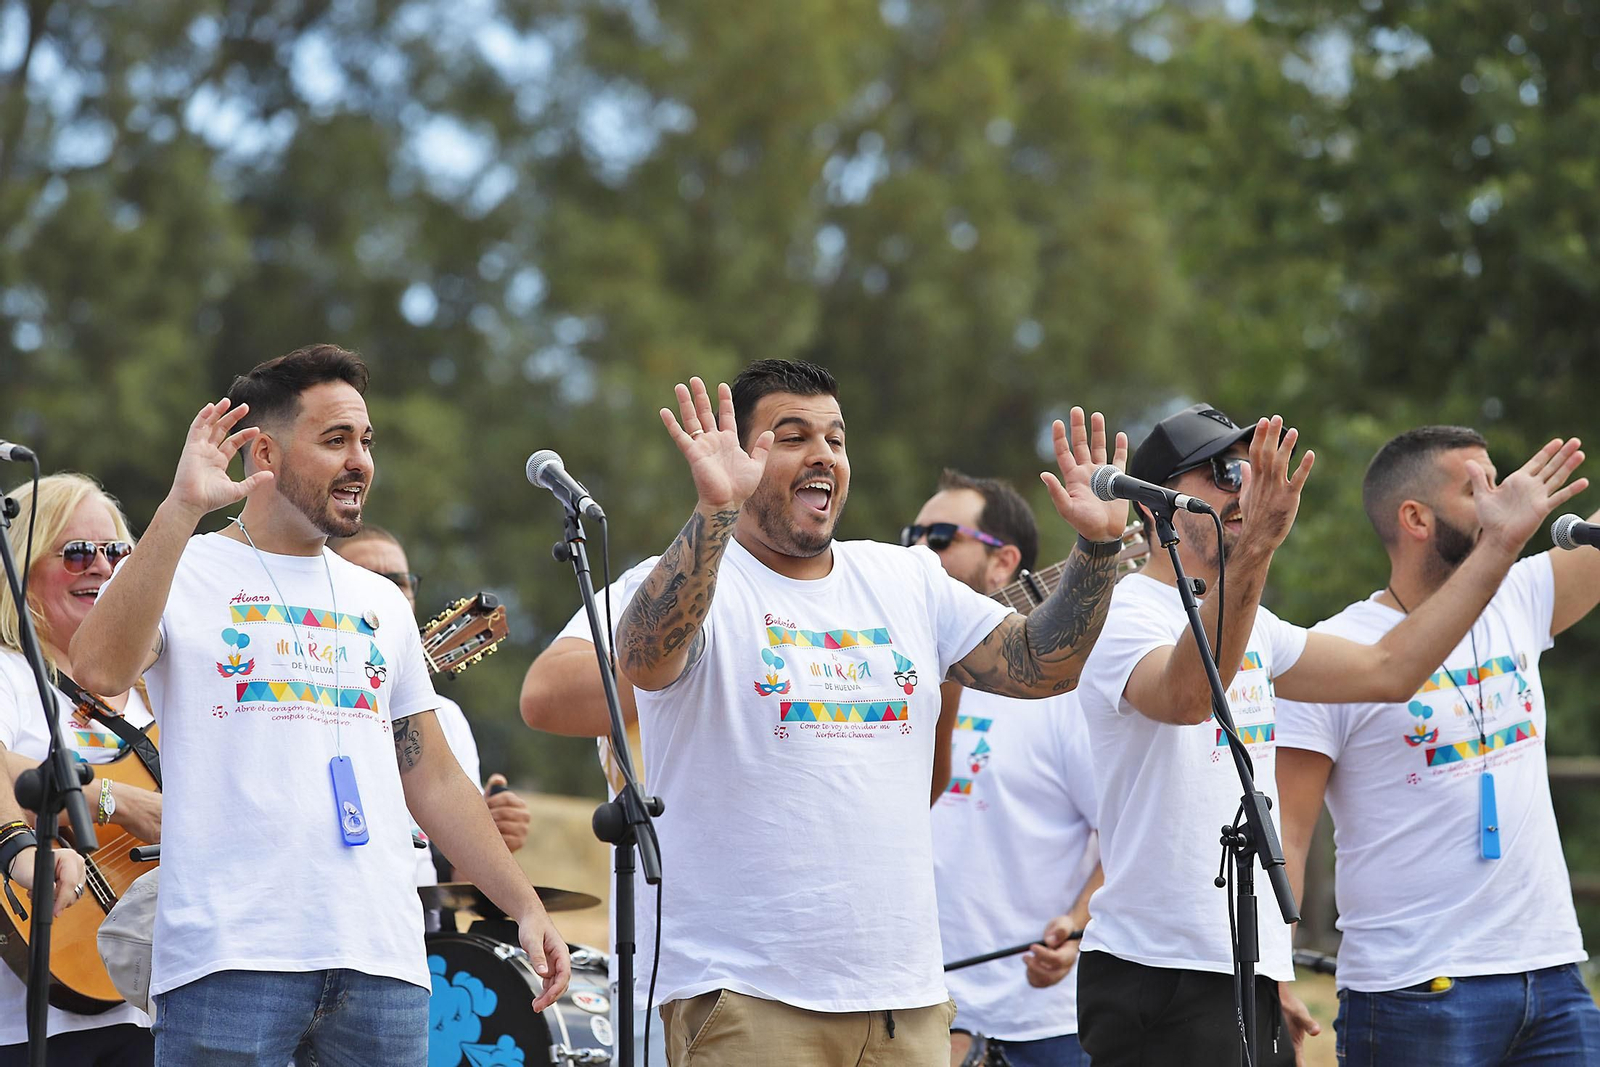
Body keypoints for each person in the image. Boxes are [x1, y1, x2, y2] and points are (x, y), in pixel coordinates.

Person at [613, 361, 1131, 1067]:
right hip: (748, 996)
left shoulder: (906, 576)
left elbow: (1045, 666)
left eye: (836, 438)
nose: (823, 454)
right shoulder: (702, 581)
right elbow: (642, 657)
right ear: (741, 455)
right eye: (793, 436)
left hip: (904, 1004)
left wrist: (1097, 549)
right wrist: (714, 511)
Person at [69, 345, 570, 1066]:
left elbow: (432, 775)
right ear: (265, 453)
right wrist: (180, 509)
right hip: (229, 960)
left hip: (382, 963)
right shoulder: (188, 567)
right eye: (336, 440)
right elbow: (96, 668)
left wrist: (524, 905)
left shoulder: (379, 600)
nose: (360, 461)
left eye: (366, 441)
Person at [1071, 403, 1584, 1067]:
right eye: (1222, 473)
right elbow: (1189, 697)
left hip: (1242, 961)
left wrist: (1500, 545)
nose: (1244, 488)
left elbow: (1390, 670)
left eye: (1248, 471)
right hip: (1157, 968)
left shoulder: (1255, 622)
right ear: (1152, 506)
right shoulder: (1123, 611)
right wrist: (1258, 546)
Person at [1276, 426, 1600, 1066]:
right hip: (1415, 989)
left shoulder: (1520, 597)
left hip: (1552, 974)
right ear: (1416, 518)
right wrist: (1272, 970)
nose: (1501, 499)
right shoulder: (1337, 651)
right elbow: (1287, 831)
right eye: (1477, 488)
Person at [910, 470, 1102, 1067]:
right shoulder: (893, 678)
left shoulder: (1063, 694)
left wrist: (1076, 928)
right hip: (910, 1013)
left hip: (1040, 1025)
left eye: (940, 537)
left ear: (1004, 563)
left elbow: (1129, 832)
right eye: (910, 535)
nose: (916, 550)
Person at [0, 472, 162, 1066]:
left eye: (117, 552)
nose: (101, 567)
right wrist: (118, 801)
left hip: (158, 1008)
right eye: (76, 553)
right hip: (30, 1022)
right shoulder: (11, 674)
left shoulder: (157, 689)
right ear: (20, 570)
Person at [330, 525, 530, 887]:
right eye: (367, 578)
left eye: (400, 583)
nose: (387, 593)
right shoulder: (295, 695)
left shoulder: (446, 718)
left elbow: (460, 880)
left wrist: (494, 837)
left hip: (418, 913)